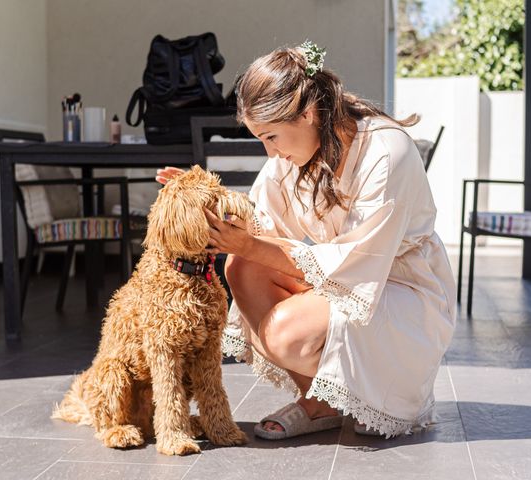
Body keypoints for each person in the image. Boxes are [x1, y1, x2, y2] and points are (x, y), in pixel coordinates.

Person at [155, 41, 456, 440]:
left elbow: (359, 264)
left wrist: (248, 244)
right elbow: (256, 221)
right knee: (243, 268)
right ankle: (319, 403)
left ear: (308, 112)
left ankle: (385, 395)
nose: (270, 151)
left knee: (284, 332)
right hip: (347, 280)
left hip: (400, 288)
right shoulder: (296, 152)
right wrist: (198, 197)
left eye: (271, 137)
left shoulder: (386, 152)